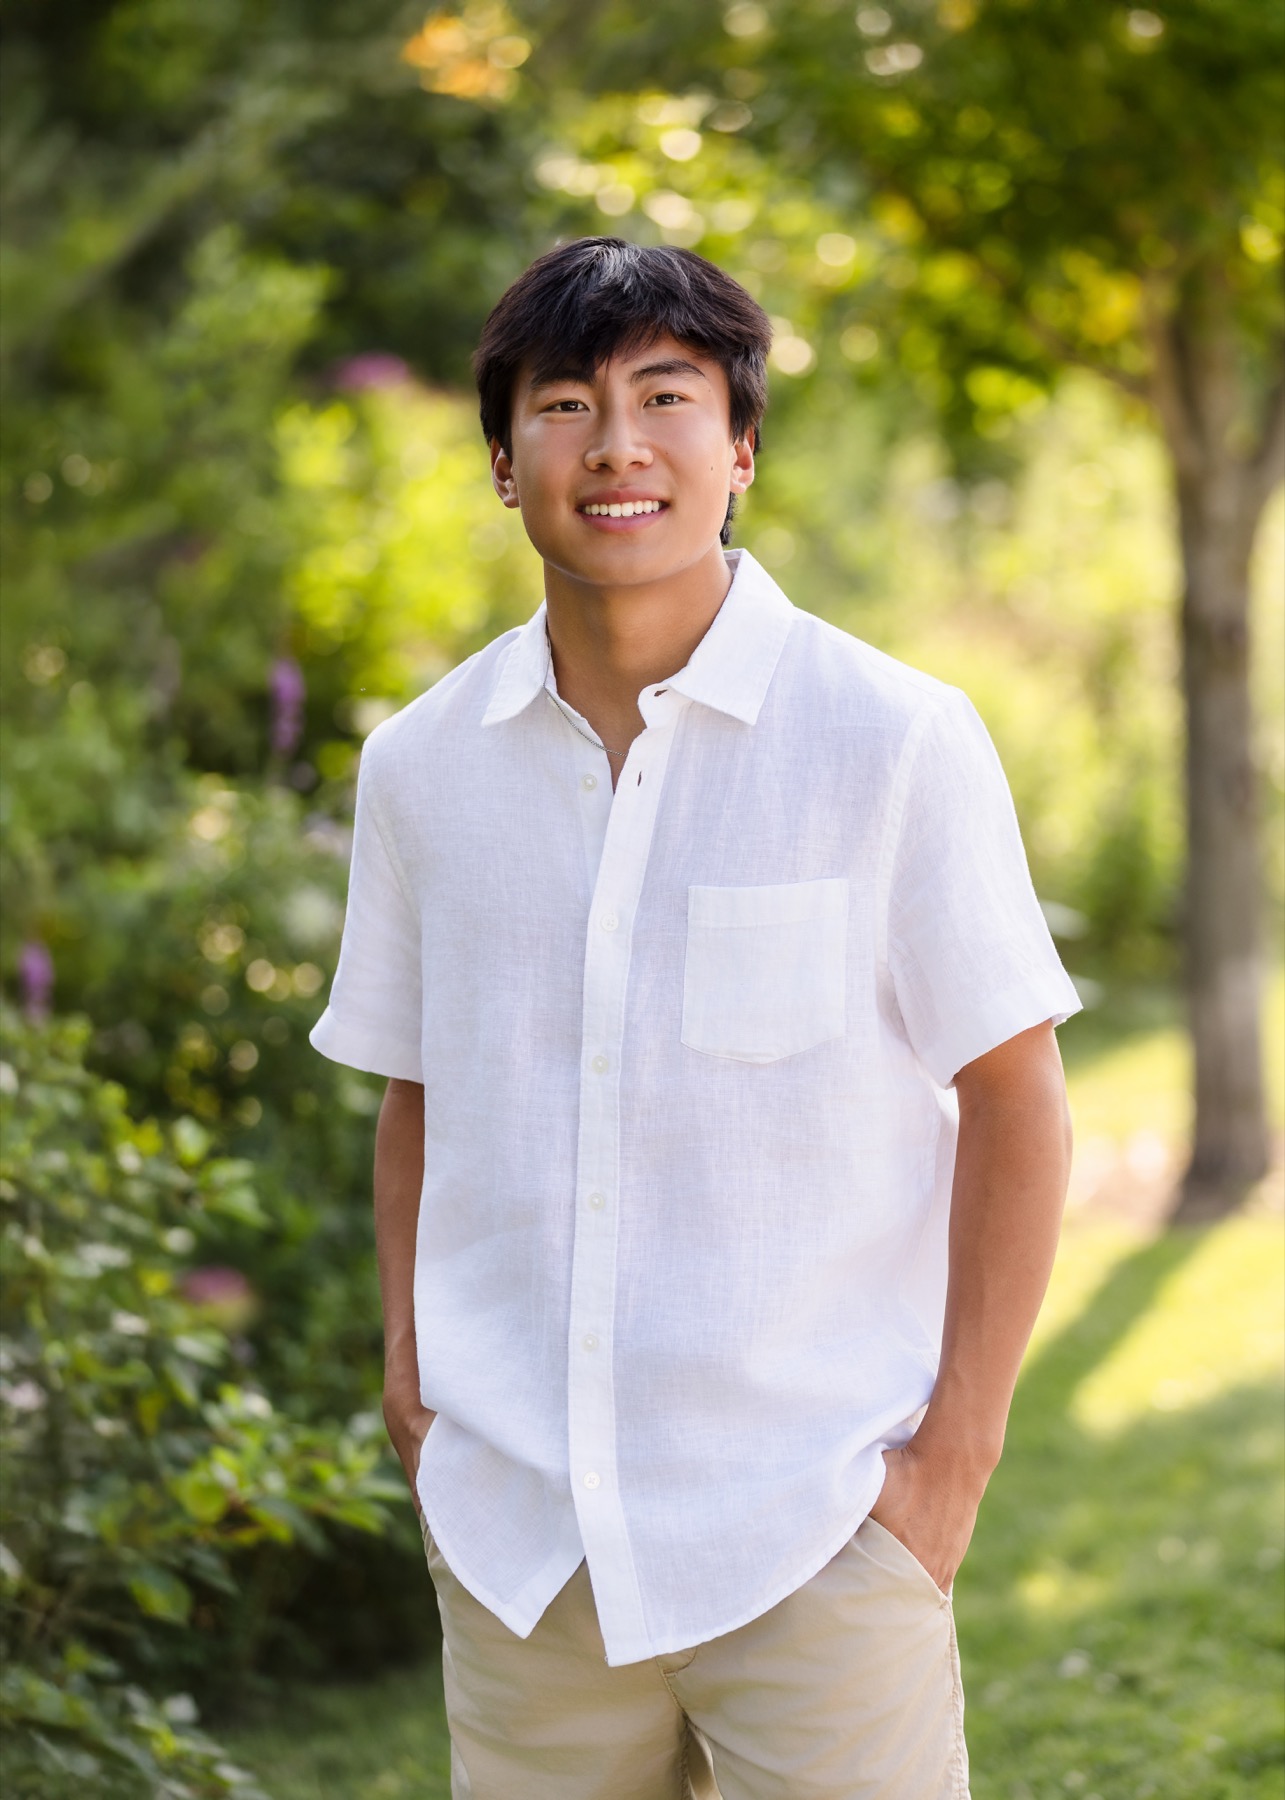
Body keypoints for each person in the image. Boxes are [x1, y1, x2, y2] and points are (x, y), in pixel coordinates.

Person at [310, 236, 1080, 1799]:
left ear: (737, 449)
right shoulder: (422, 768)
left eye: (667, 396)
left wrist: (947, 1469)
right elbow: (416, 1090)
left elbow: (1014, 1096)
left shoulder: (893, 738)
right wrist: (415, 1380)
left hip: (813, 1526)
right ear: (501, 458)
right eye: (566, 403)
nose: (616, 446)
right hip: (523, 1545)